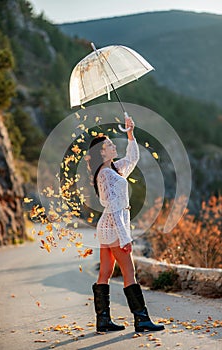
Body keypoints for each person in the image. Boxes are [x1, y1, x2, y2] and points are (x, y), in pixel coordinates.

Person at [88, 116, 164, 333]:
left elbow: (133, 157)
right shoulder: (107, 175)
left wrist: (130, 133)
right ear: (102, 152)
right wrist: (125, 238)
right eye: (110, 145)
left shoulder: (112, 169)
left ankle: (103, 321)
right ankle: (142, 320)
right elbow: (113, 209)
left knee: (105, 272)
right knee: (129, 273)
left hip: (106, 228)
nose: (113, 146)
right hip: (113, 227)